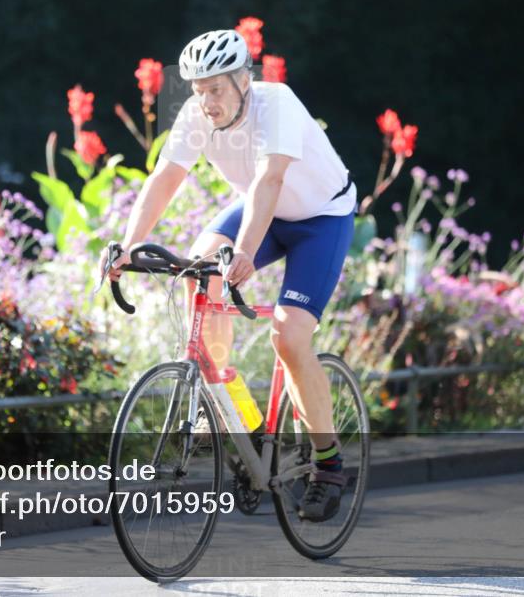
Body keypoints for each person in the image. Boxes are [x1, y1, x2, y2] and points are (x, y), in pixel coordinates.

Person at [99, 29, 356, 522]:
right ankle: (241, 416)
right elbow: (166, 178)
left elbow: (269, 179)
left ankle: (328, 462)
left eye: (216, 88)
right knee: (200, 271)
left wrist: (245, 252)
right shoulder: (197, 116)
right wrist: (129, 246)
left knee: (289, 334)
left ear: (244, 79)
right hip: (263, 211)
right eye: (198, 90)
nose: (207, 100)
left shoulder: (274, 104)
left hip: (319, 219)